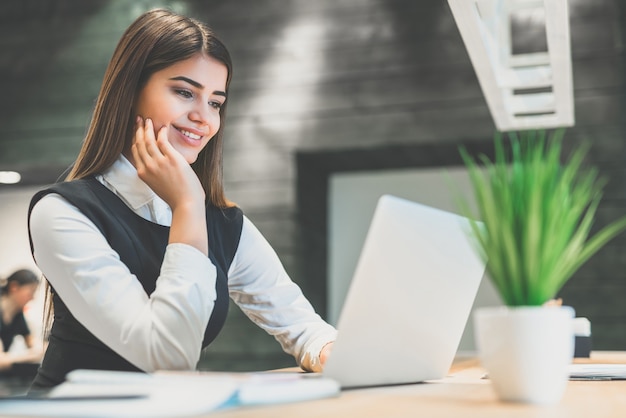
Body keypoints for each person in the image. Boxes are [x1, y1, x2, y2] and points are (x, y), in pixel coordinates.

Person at [27, 8, 336, 389]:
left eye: (216, 102)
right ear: (130, 92)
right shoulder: (62, 212)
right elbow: (168, 358)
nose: (203, 118)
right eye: (185, 92)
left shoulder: (223, 223)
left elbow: (302, 326)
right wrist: (187, 204)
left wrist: (332, 351)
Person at [0, 269, 44, 372]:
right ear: (14, 287)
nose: (33, 298)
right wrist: (30, 355)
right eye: (31, 292)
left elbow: (33, 343)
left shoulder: (18, 315)